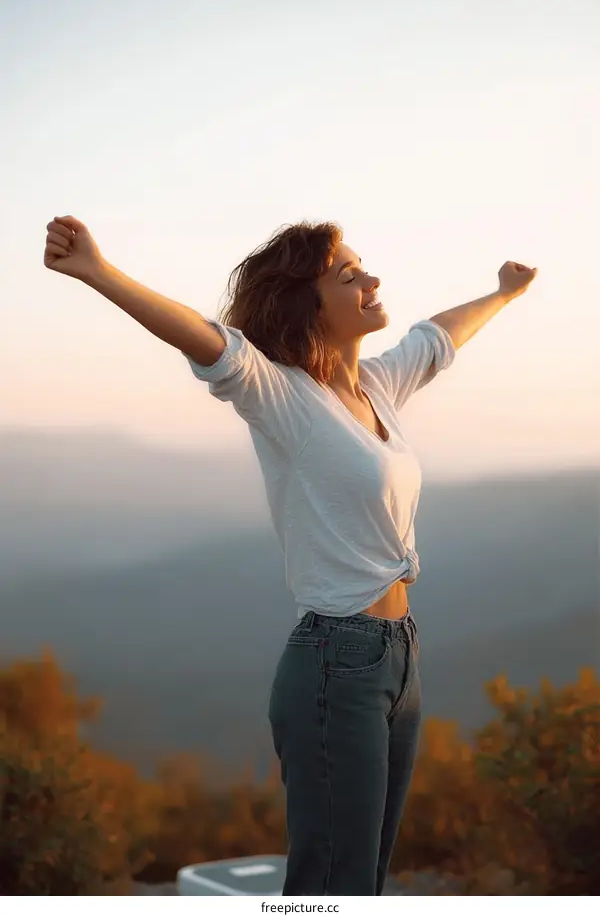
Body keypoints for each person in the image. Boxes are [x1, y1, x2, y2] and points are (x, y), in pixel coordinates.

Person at [44, 215, 537, 895]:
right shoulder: (283, 396)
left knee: (362, 880)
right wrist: (100, 273)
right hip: (338, 663)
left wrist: (504, 293)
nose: (371, 279)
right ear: (309, 302)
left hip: (399, 657)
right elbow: (207, 338)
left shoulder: (377, 391)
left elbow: (437, 337)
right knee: (329, 884)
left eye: (365, 267)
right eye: (348, 275)